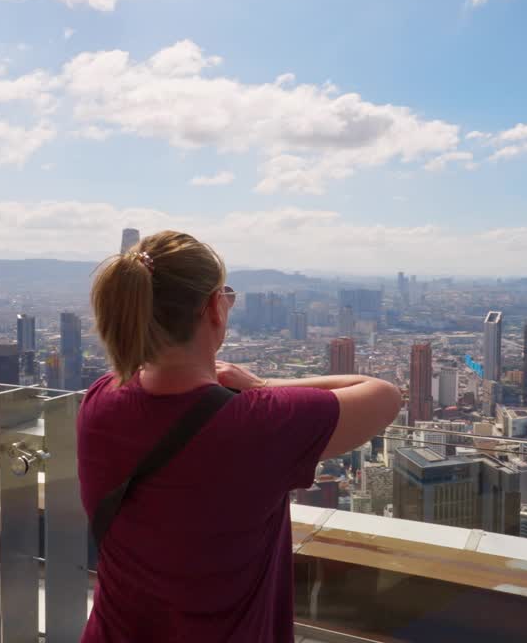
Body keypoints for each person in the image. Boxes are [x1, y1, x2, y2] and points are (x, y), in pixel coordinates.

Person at [77, 230, 401, 642]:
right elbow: (384, 395)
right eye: (225, 296)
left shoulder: (101, 399)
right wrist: (264, 386)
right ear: (215, 308)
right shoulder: (254, 424)